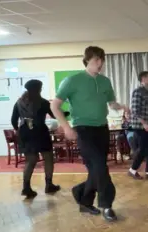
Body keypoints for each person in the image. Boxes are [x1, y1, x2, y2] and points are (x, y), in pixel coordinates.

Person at [50, 46, 129, 222]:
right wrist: (67, 127)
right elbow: (54, 105)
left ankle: (83, 197)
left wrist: (122, 106)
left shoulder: (105, 81)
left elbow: (111, 103)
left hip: (102, 128)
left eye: (101, 60)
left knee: (96, 169)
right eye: (95, 60)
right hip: (83, 130)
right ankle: (107, 205)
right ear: (87, 61)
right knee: (101, 167)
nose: (99, 64)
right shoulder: (72, 81)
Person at [11, 80, 61, 199]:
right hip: (40, 131)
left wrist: (19, 130)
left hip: (25, 132)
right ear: (38, 89)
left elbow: (13, 120)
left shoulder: (19, 102)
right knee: (48, 157)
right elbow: (55, 115)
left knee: (30, 160)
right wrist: (65, 113)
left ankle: (26, 187)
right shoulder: (43, 102)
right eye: (41, 87)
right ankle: (49, 185)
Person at [128, 71, 148, 179]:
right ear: (143, 79)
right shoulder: (138, 92)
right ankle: (132, 170)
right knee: (143, 148)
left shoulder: (146, 92)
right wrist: (144, 123)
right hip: (140, 126)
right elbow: (134, 111)